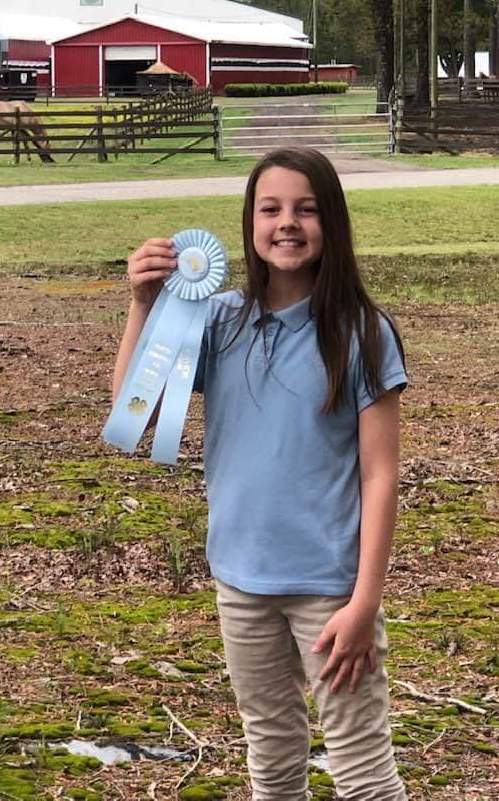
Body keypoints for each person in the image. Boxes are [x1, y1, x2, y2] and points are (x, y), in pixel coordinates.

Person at [111, 148, 408, 801]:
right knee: (272, 762)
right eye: (270, 208)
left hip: (330, 591)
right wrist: (142, 304)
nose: (287, 223)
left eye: (306, 208)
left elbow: (381, 476)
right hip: (240, 583)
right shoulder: (218, 321)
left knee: (362, 773)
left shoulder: (363, 333)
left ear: (332, 220)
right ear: (250, 223)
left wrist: (364, 603)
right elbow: (137, 411)